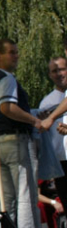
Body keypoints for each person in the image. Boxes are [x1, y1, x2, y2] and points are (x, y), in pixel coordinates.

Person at [0, 39, 47, 228]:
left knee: (8, 201)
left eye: (16, 52)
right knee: (25, 196)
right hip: (15, 141)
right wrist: (33, 120)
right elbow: (7, 107)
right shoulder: (7, 78)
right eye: (11, 53)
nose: (16, 57)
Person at [39, 57, 67, 203]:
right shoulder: (46, 103)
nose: (59, 74)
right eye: (54, 71)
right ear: (50, 75)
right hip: (61, 163)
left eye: (62, 69)